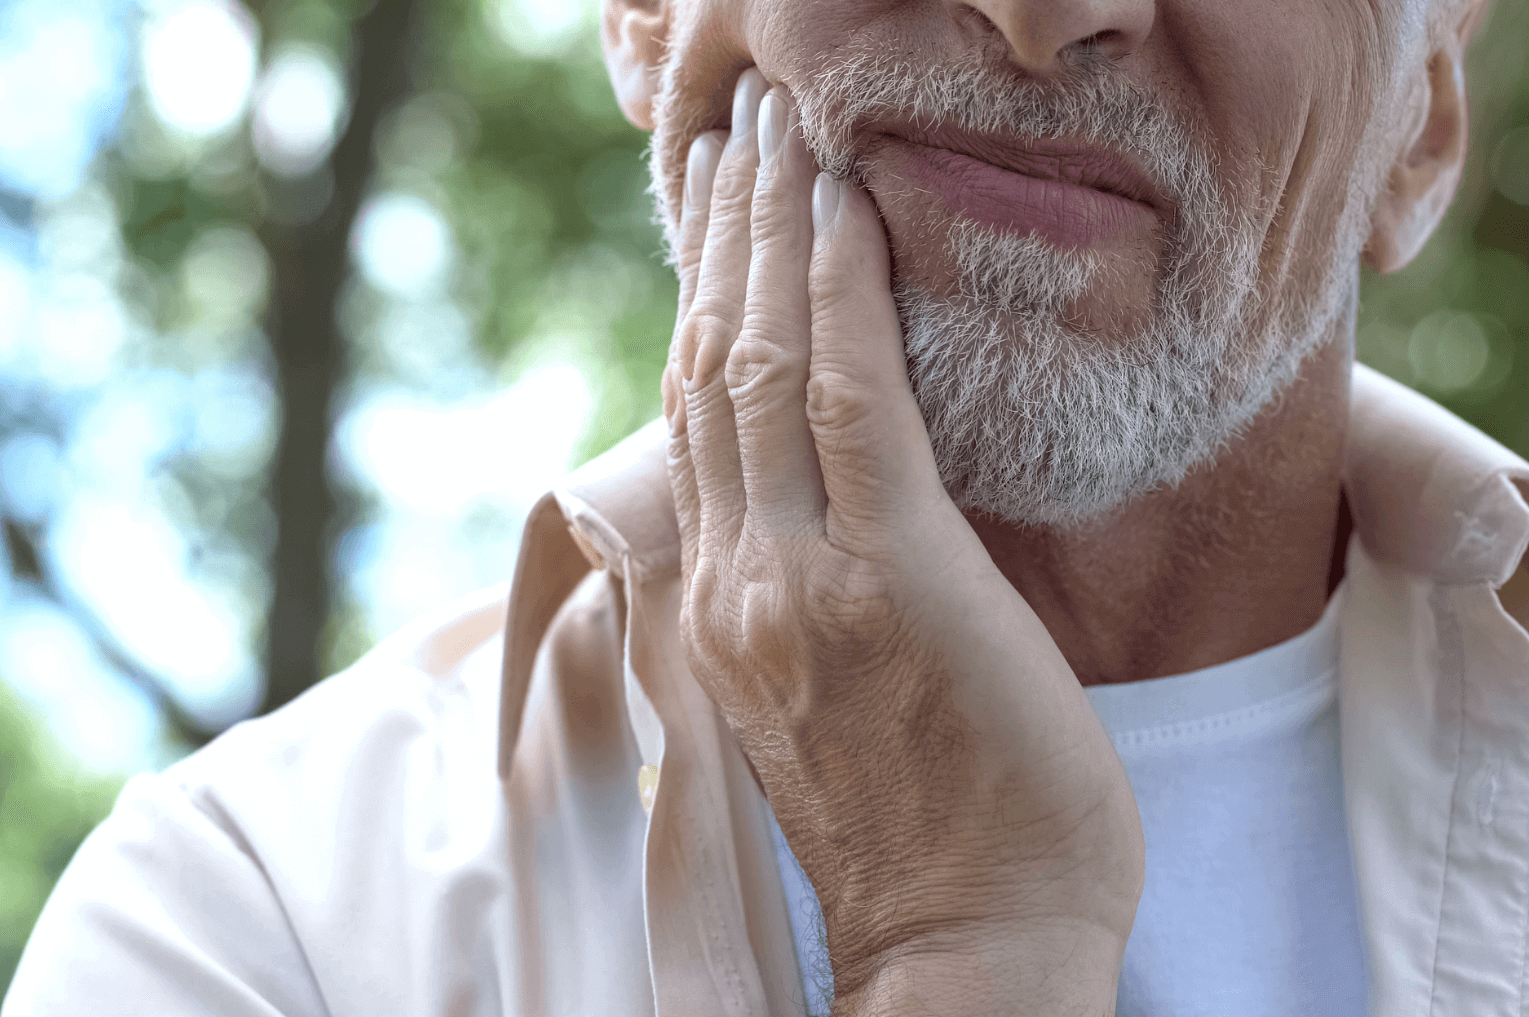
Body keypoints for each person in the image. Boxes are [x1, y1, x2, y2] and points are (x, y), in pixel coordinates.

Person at [6, 0, 1528, 1013]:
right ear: (646, 10)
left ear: (1426, 117)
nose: (1044, 3)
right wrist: (963, 945)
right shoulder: (257, 928)